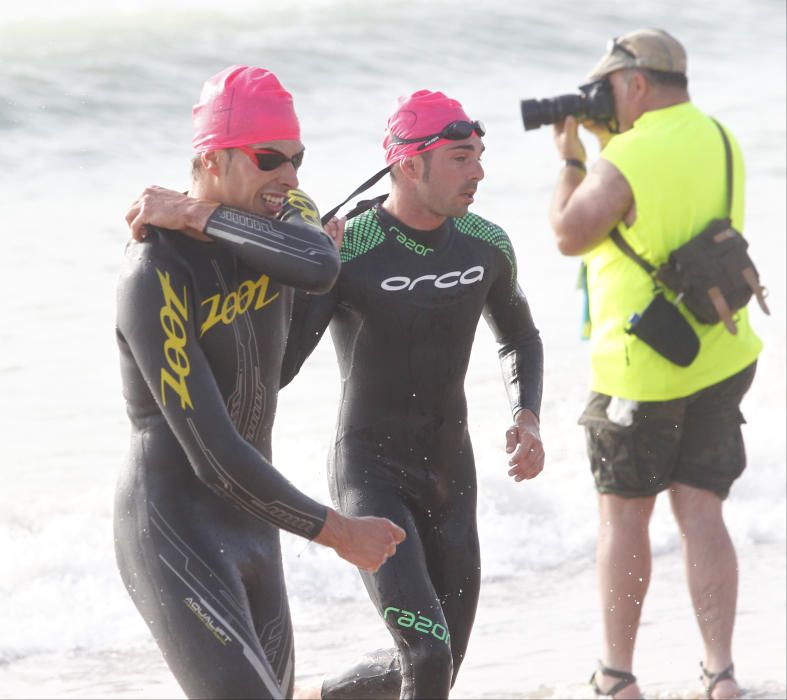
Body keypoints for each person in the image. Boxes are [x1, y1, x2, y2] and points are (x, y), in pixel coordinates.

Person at [115, 64, 405, 700]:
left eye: (298, 158)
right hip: (175, 526)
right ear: (213, 159)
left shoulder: (286, 213)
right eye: (270, 158)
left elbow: (320, 264)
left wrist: (199, 213)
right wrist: (336, 531)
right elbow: (215, 454)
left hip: (255, 526)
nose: (292, 178)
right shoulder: (155, 274)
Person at [280, 89, 545, 699]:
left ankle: (321, 696)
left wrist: (526, 417)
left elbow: (521, 337)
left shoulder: (486, 244)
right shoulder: (350, 247)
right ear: (408, 163)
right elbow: (284, 366)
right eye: (460, 157)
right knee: (425, 654)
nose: (478, 170)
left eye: (479, 155)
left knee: (437, 662)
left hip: (452, 471)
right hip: (370, 471)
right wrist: (306, 271)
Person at [545, 29, 762, 700]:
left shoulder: (627, 155)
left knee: (624, 518)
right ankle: (720, 673)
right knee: (702, 512)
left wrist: (570, 160)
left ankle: (616, 675)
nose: (605, 99)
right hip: (723, 352)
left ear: (634, 84)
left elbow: (568, 234)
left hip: (641, 368)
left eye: (608, 87)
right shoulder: (720, 136)